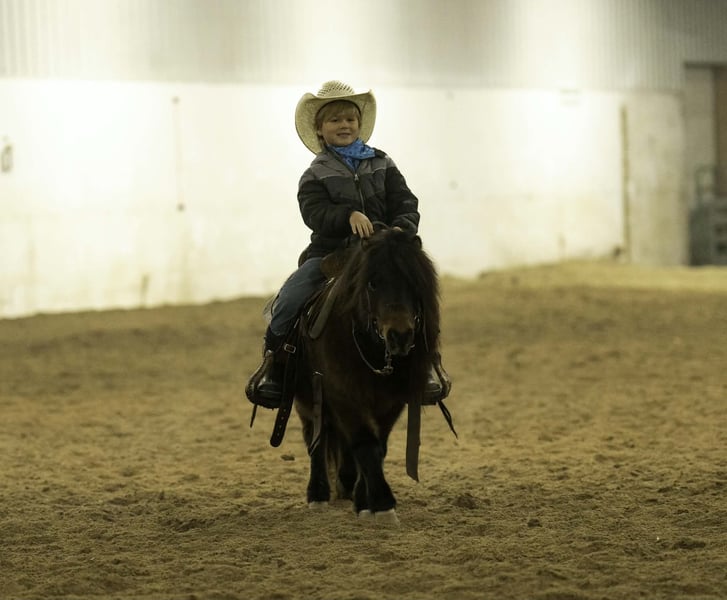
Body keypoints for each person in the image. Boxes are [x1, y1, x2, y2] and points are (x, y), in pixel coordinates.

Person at [246, 80, 447, 408]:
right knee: (290, 298)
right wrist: (346, 216)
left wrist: (401, 228)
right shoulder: (314, 174)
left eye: (350, 119)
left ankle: (427, 366)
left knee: (420, 289)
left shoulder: (383, 163)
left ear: (359, 124)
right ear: (320, 129)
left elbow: (405, 200)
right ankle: (274, 368)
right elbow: (313, 211)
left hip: (383, 250)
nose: (345, 125)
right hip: (332, 253)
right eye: (335, 120)